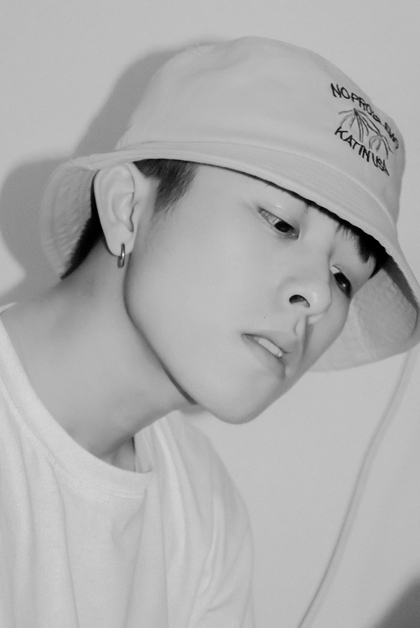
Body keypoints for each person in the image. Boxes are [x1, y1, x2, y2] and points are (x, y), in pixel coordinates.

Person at [0, 37, 419, 628]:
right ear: (126, 208)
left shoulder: (205, 510)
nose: (321, 298)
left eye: (344, 277)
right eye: (281, 222)